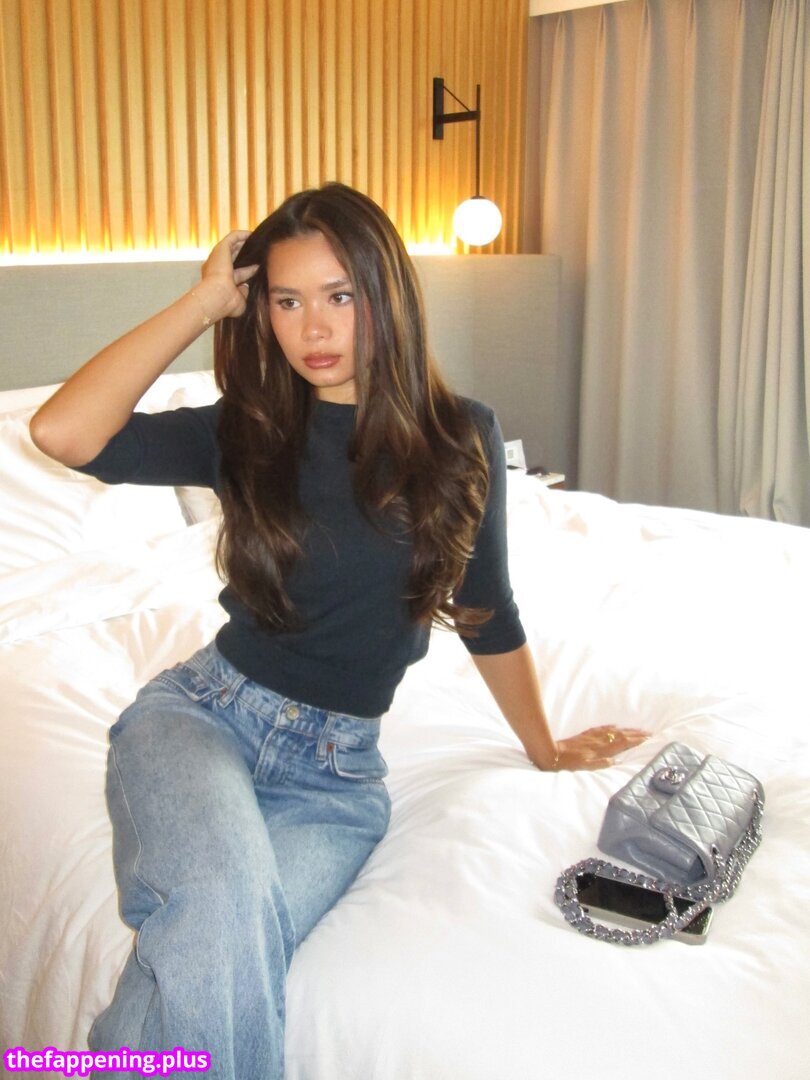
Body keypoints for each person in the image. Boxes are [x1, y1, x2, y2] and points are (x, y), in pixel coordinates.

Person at [30, 182, 647, 1079]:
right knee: (219, 910)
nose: (312, 327)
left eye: (339, 295)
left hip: (337, 779)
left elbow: (486, 609)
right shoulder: (249, 430)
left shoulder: (462, 436)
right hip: (202, 720)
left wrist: (545, 748)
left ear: (385, 295)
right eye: (286, 301)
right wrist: (203, 302)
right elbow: (63, 431)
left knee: (209, 949)